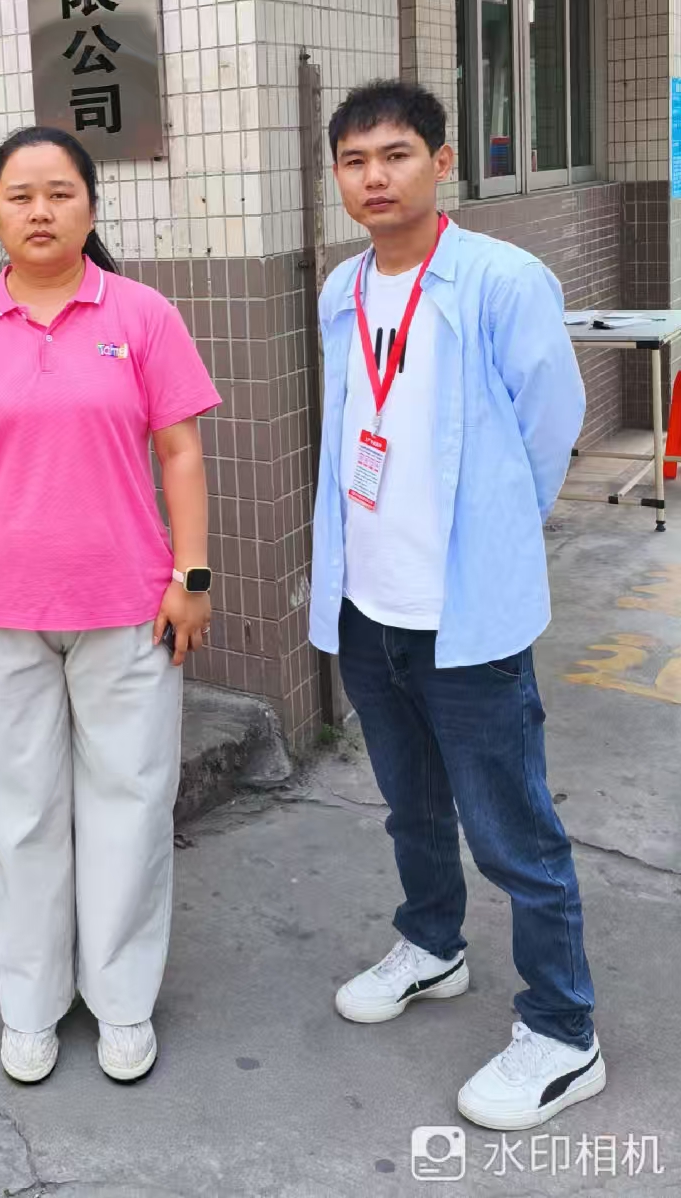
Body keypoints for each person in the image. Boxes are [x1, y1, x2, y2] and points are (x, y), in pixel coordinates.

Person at [0, 126, 220, 1087]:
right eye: (19, 196)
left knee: (129, 807)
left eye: (60, 193)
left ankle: (121, 1002)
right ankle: (30, 1007)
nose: (40, 211)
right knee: (19, 817)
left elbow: (180, 452)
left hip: (129, 609)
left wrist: (192, 576)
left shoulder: (143, 315)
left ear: (90, 206)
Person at [309, 79, 602, 1131]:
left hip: (463, 611)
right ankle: (432, 945)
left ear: (442, 163)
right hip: (367, 602)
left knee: (513, 828)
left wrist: (492, 536)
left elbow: (548, 425)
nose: (374, 177)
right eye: (354, 161)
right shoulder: (342, 289)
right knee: (411, 804)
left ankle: (563, 1029)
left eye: (395, 154)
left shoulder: (500, 279)